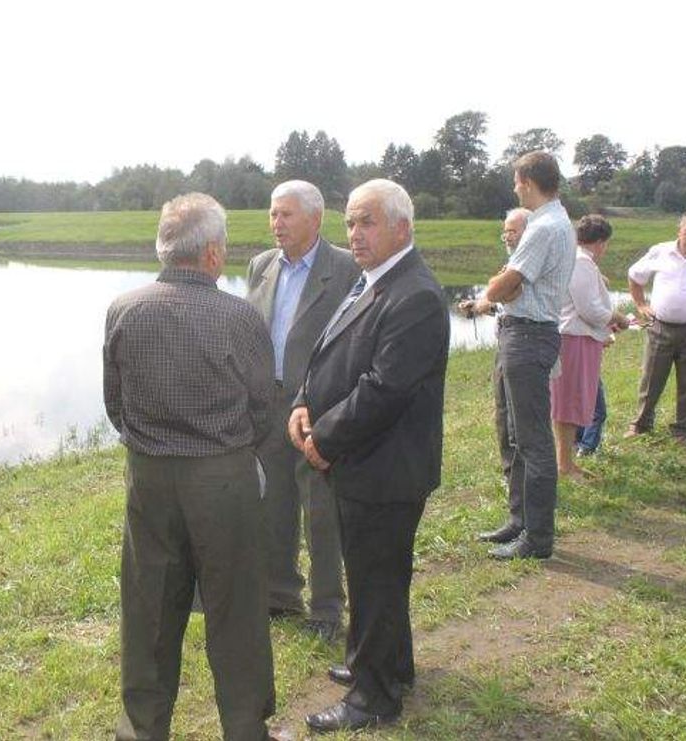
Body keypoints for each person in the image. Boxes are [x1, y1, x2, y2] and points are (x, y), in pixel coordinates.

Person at [103, 193, 277, 740]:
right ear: (211, 254)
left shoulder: (124, 309)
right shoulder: (239, 317)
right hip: (222, 479)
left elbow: (116, 404)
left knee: (149, 610)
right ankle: (245, 729)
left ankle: (141, 731)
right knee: (236, 611)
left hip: (149, 479)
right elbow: (262, 407)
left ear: (165, 248)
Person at [290, 179, 448, 733]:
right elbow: (328, 354)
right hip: (365, 461)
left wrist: (323, 440)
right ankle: (386, 664)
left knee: (376, 581)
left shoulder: (416, 296)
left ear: (402, 228)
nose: (354, 234)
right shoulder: (373, 281)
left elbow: (384, 390)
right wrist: (304, 402)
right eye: (350, 223)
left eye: (367, 222)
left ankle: (373, 699)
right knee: (376, 577)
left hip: (385, 467)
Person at [246, 180, 359, 641]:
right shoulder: (260, 266)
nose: (277, 224)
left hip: (318, 407)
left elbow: (356, 341)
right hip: (268, 403)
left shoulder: (347, 268)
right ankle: (280, 594)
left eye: (286, 215)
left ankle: (327, 608)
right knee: (274, 502)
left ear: (315, 219)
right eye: (273, 214)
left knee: (321, 508)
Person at [476, 151, 576, 559]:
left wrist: (489, 293)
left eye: (517, 181)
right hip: (527, 333)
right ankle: (519, 521)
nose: (515, 187)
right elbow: (514, 285)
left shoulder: (545, 226)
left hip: (528, 335)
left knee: (533, 442)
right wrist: (504, 286)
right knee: (517, 435)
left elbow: (510, 283)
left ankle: (537, 540)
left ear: (528, 181)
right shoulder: (552, 222)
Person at [550, 215, 628, 479]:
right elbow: (589, 309)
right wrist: (616, 317)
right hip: (574, 340)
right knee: (569, 402)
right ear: (601, 242)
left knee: (569, 401)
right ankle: (565, 464)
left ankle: (566, 461)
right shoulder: (582, 262)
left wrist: (605, 327)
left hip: (576, 337)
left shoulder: (573, 259)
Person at [458, 207, 530, 485]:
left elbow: (506, 293)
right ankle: (512, 474)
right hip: (508, 340)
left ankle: (522, 478)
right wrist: (478, 306)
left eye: (512, 231)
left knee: (516, 414)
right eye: (505, 232)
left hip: (522, 344)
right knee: (503, 410)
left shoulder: (525, 264)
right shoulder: (513, 263)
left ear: (529, 232)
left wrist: (487, 296)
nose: (507, 237)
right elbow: (504, 302)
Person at [625, 210, 686, 441]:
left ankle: (682, 430)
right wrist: (641, 304)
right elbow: (635, 275)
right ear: (679, 230)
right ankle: (641, 424)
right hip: (660, 326)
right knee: (651, 378)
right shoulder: (660, 250)